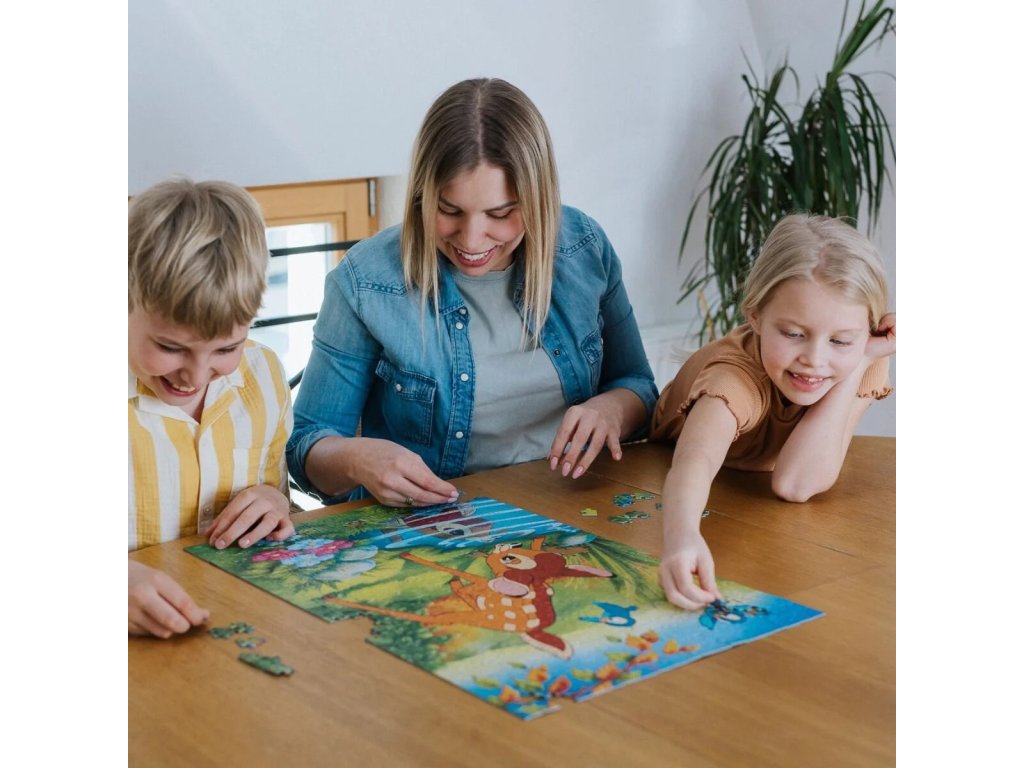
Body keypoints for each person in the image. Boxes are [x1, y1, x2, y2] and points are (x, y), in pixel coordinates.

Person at [287, 78, 658, 506]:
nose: (472, 239)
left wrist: (611, 409)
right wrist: (357, 460)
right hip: (434, 523)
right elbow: (306, 446)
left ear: (538, 199)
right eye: (449, 210)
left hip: (580, 505)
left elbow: (639, 386)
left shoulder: (583, 248)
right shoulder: (366, 281)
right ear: (422, 195)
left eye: (500, 214)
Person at [651, 214, 896, 611]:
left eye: (840, 340)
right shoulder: (734, 380)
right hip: (649, 477)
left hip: (759, 506)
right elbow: (695, 459)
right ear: (755, 315)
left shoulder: (862, 358)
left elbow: (797, 483)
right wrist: (682, 537)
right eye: (794, 334)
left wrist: (864, 358)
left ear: (867, 332)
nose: (815, 359)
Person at [128, 178, 295, 638]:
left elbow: (275, 496)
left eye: (226, 348)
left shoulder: (264, 376)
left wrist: (276, 500)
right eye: (170, 347)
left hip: (236, 628)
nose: (196, 375)